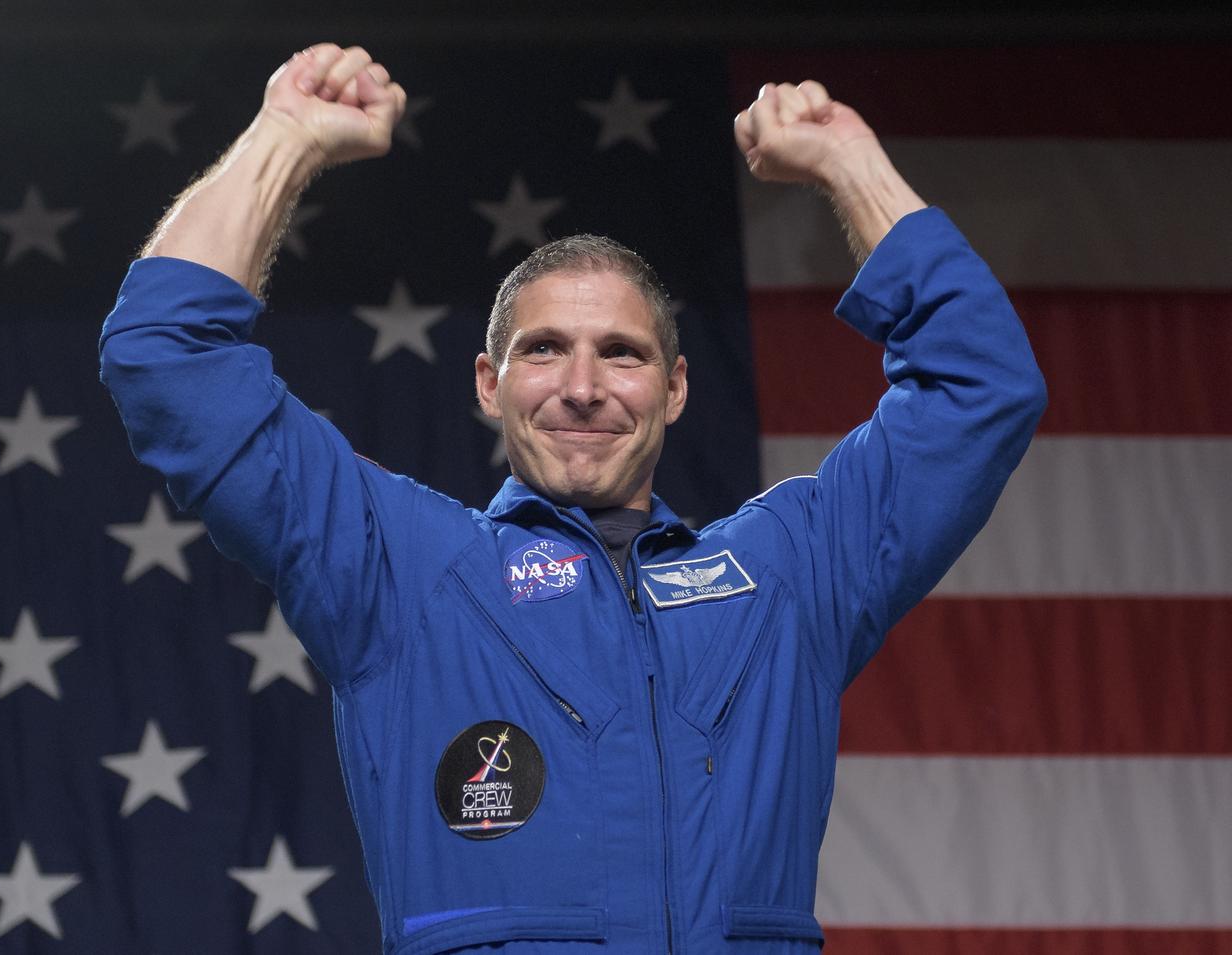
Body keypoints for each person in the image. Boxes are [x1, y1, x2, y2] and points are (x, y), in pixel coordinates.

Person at [100, 43, 1045, 954]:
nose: (583, 386)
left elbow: (980, 388)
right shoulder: (402, 571)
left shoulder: (788, 577)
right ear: (488, 383)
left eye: (622, 353)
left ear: (675, 389)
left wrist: (850, 159)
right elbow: (164, 355)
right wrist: (285, 140)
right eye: (543, 349)